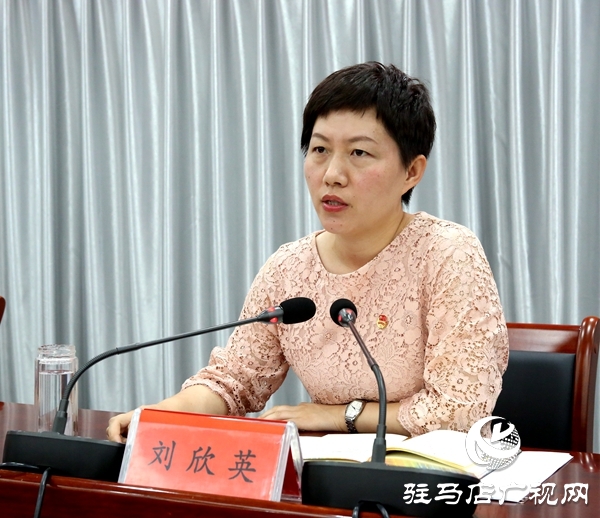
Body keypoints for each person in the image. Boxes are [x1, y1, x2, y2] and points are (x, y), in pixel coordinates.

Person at [107, 62, 508, 443]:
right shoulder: (289, 269)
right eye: (319, 150)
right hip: (328, 473)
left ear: (412, 171)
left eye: (359, 153)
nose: (332, 174)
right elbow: (233, 381)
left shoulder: (447, 255)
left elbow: (461, 410)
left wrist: (338, 416)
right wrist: (157, 416)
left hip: (434, 478)